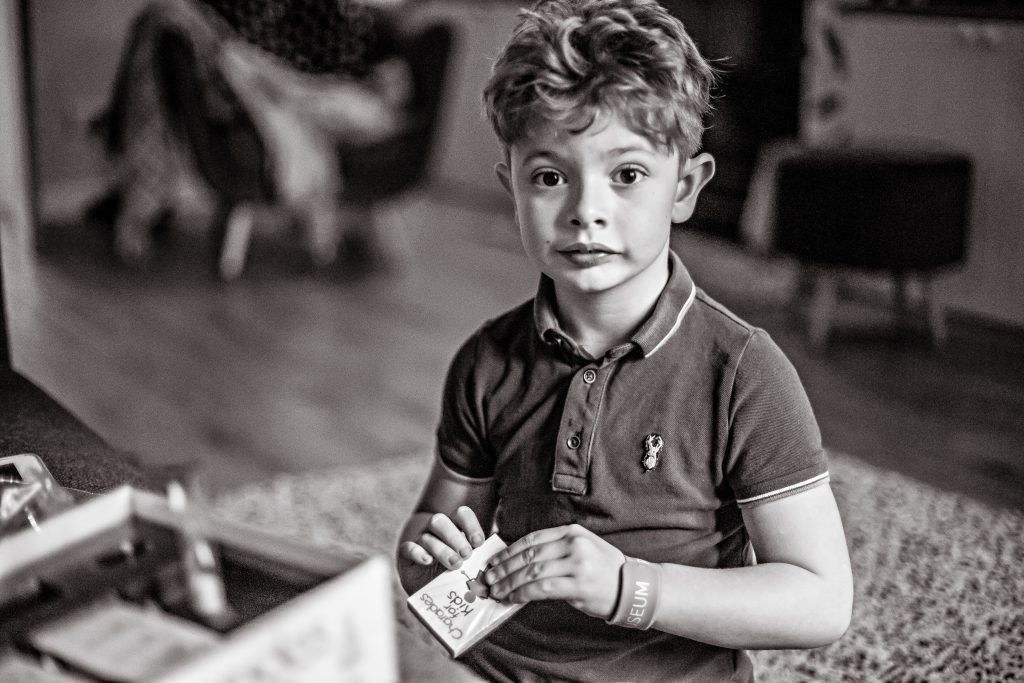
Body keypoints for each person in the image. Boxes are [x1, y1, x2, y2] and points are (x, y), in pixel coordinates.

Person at [396, 1, 853, 680]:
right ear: (512, 189)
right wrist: (433, 558)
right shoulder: (485, 361)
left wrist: (627, 586)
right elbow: (425, 541)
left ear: (686, 187)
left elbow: (821, 600)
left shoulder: (743, 372)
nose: (586, 208)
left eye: (627, 174)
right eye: (550, 177)